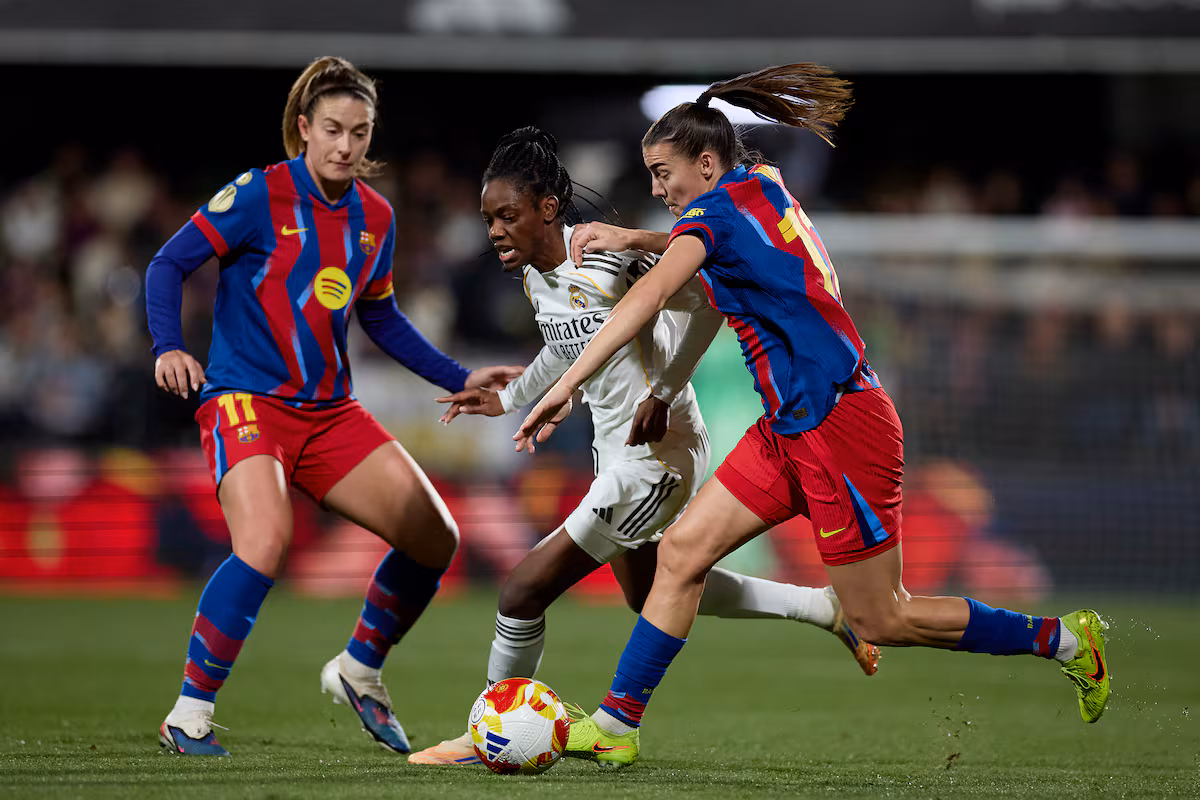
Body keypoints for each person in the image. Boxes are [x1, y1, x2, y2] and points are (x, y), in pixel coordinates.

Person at [514, 64, 1111, 768]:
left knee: (880, 616)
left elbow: (649, 298)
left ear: (705, 163)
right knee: (679, 555)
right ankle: (617, 725)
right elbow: (714, 252)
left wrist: (566, 383)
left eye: (662, 172)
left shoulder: (711, 214)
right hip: (789, 428)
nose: (655, 189)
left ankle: (1067, 641)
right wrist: (637, 240)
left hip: (840, 428)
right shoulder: (760, 185)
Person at [405, 126, 880, 766]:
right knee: (652, 590)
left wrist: (664, 387)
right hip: (618, 456)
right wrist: (513, 397)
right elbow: (565, 345)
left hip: (657, 456)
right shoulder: (537, 281)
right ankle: (825, 607)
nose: (493, 230)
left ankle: (488, 727)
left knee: (522, 590)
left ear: (547, 209)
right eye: (487, 217)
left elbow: (708, 296)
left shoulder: (606, 259)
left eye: (506, 215)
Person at [145, 56, 523, 757]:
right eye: (332, 130)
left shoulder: (375, 217)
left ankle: (359, 669)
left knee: (435, 537)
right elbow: (168, 263)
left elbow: (380, 319)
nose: (346, 145)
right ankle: (189, 713)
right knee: (262, 543)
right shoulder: (259, 195)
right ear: (303, 129)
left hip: (328, 413)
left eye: (360, 131)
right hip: (244, 399)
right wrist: (169, 344)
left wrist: (459, 375)